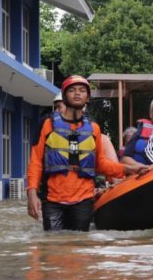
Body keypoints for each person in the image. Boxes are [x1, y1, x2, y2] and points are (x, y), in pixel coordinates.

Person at [26, 75, 146, 231]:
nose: (77, 93)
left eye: (82, 90)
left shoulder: (94, 128)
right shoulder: (47, 124)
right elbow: (35, 162)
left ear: (87, 98)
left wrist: (128, 169)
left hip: (83, 200)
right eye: (72, 90)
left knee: (81, 244)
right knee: (53, 246)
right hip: (52, 200)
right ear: (64, 95)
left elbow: (100, 164)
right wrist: (32, 193)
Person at [121, 94, 153, 165]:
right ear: (150, 114)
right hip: (142, 173)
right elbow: (125, 159)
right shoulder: (141, 130)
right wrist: (139, 167)